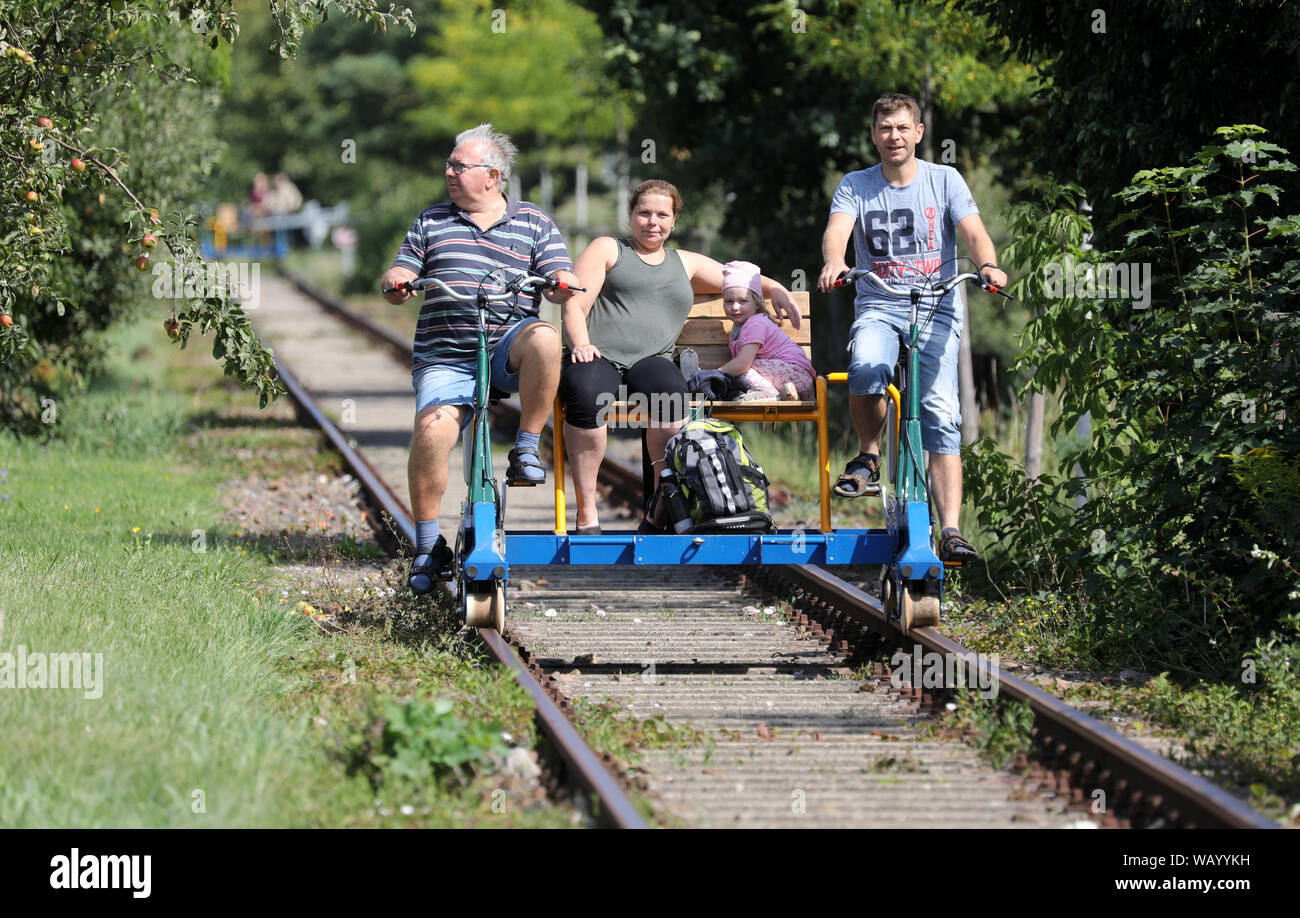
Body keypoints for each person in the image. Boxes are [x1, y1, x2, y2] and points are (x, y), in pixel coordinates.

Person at [380, 124, 579, 593]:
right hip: (446, 356)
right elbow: (404, 267)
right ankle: (429, 547)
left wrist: (561, 282)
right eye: (449, 165)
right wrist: (397, 280)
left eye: (458, 165)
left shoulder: (533, 221)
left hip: (507, 346)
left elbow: (558, 273)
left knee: (547, 337)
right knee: (431, 434)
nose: (448, 172)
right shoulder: (432, 221)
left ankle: (527, 447)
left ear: (492, 176)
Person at [817, 92, 1008, 563]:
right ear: (873, 135)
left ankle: (951, 530)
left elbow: (974, 232)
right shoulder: (856, 184)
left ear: (919, 133)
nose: (893, 137)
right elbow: (837, 231)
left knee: (941, 413)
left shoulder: (945, 180)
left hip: (935, 307)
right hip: (880, 303)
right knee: (866, 367)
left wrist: (987, 265)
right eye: (885, 128)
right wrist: (835, 262)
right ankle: (869, 455)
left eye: (903, 128)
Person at [561, 180, 800, 534]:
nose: (652, 222)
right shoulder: (608, 249)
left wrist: (776, 287)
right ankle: (586, 512)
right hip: (600, 354)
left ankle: (663, 504)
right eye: (644, 213)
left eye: (662, 214)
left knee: (670, 392)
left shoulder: (684, 262)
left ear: (673, 221)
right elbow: (574, 304)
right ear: (630, 215)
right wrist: (581, 343)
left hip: (651, 359)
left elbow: (738, 277)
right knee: (584, 392)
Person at [714, 260, 815, 402]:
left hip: (796, 374)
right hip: (791, 381)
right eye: (729, 301)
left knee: (741, 368)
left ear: (757, 304)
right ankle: (780, 394)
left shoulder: (755, 323)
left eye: (743, 301)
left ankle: (767, 393)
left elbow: (742, 364)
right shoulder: (739, 330)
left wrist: (714, 373)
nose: (735, 307)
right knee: (738, 370)